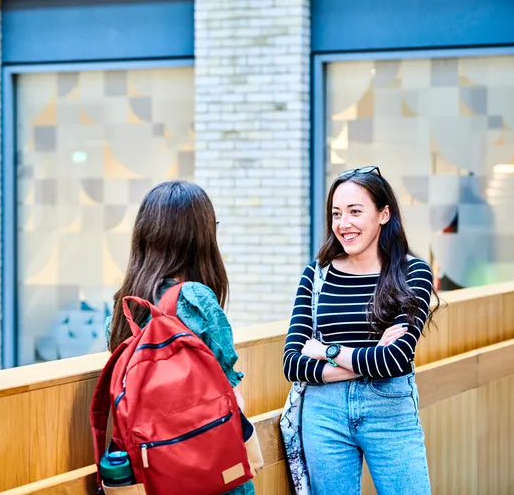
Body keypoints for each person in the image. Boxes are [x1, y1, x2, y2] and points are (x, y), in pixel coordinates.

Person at [282, 166, 439, 495]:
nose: (343, 224)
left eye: (355, 212)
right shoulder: (317, 274)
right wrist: (369, 358)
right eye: (336, 213)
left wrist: (327, 352)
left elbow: (395, 360)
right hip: (323, 413)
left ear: (384, 214)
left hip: (389, 407)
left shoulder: (413, 273)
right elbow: (292, 362)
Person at [106, 180, 255, 495]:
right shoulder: (195, 300)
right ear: (200, 237)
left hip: (152, 470)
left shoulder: (124, 310)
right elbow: (231, 393)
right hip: (209, 465)